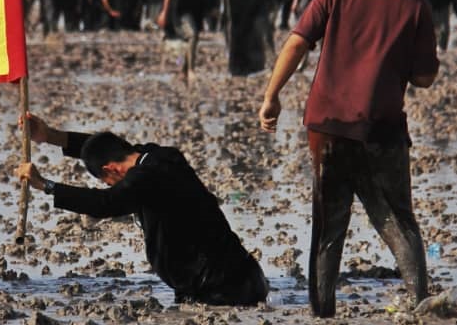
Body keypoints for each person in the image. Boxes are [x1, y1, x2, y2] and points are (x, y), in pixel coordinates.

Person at [257, 0, 439, 318]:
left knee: (327, 227)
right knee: (398, 221)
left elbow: (296, 44)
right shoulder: (415, 6)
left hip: (328, 128)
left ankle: (323, 314)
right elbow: (425, 78)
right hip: (382, 130)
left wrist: (272, 96)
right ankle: (421, 307)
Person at [14, 113, 270, 306]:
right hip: (244, 277)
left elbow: (104, 203)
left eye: (106, 180)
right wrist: (48, 135)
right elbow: (105, 147)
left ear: (111, 170)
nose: (113, 185)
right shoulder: (159, 156)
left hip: (220, 290)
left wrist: (45, 185)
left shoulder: (142, 180)